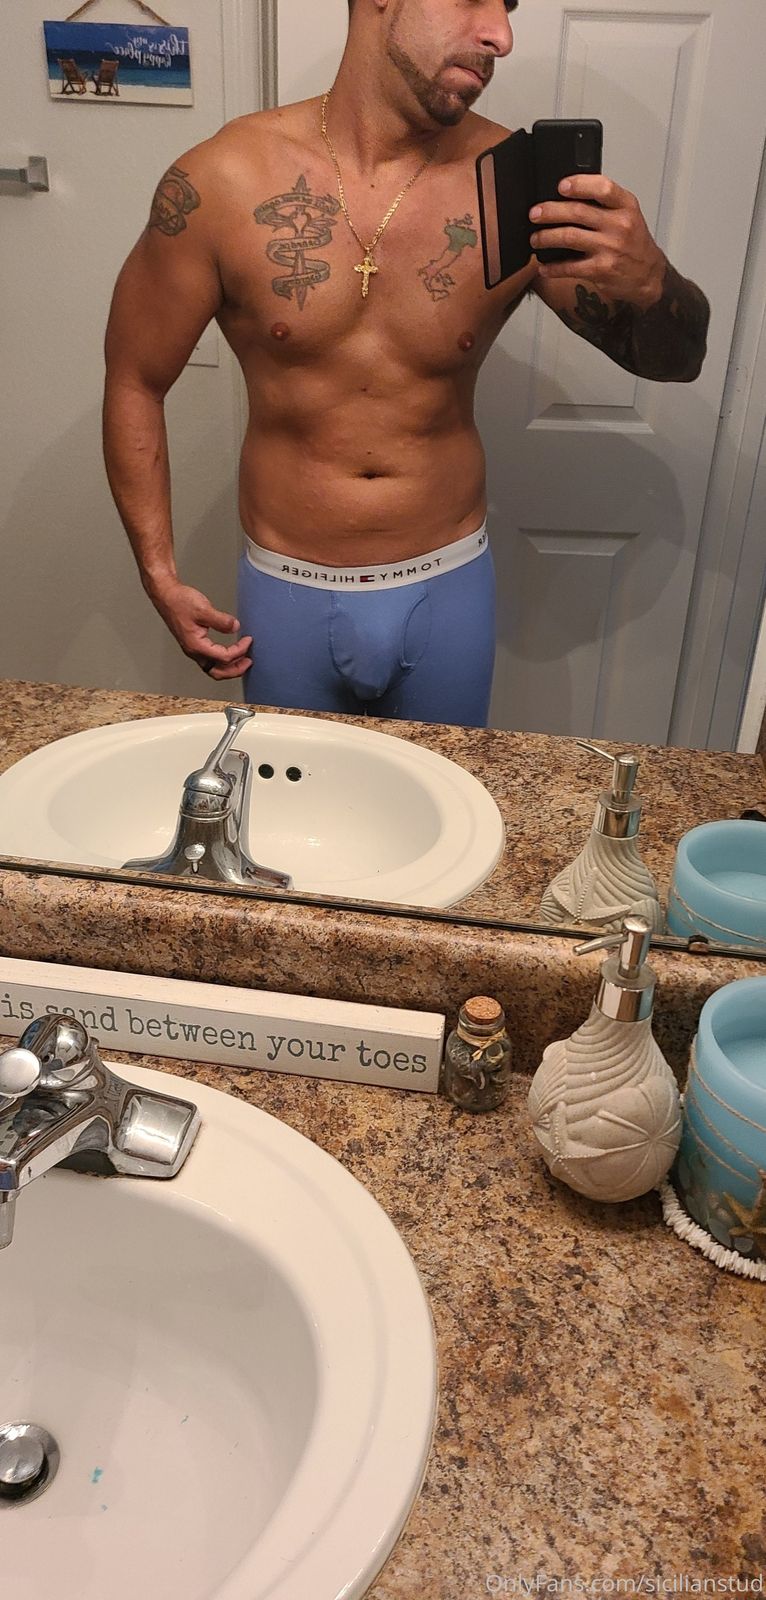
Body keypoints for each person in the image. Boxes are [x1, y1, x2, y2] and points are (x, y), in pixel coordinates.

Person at [103, 0, 709, 727]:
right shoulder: (224, 180)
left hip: (446, 590)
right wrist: (158, 572)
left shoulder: (512, 188)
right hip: (286, 592)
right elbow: (136, 378)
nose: (501, 35)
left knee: (447, 799)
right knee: (292, 800)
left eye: (508, 9)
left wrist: (653, 280)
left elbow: (675, 361)